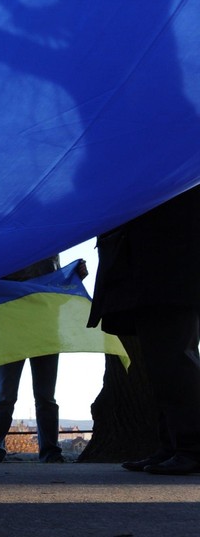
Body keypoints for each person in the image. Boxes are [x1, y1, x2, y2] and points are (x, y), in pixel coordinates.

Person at [88, 186, 200, 475]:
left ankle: (191, 448)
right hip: (155, 271)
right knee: (162, 365)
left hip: (172, 271)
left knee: (174, 361)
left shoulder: (179, 167)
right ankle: (174, 446)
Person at [0, 256, 69, 464]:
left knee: (16, 394)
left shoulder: (30, 250)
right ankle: (48, 452)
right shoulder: (47, 250)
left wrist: (74, 276)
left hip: (31, 328)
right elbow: (59, 293)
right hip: (29, 328)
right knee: (22, 395)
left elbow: (59, 293)